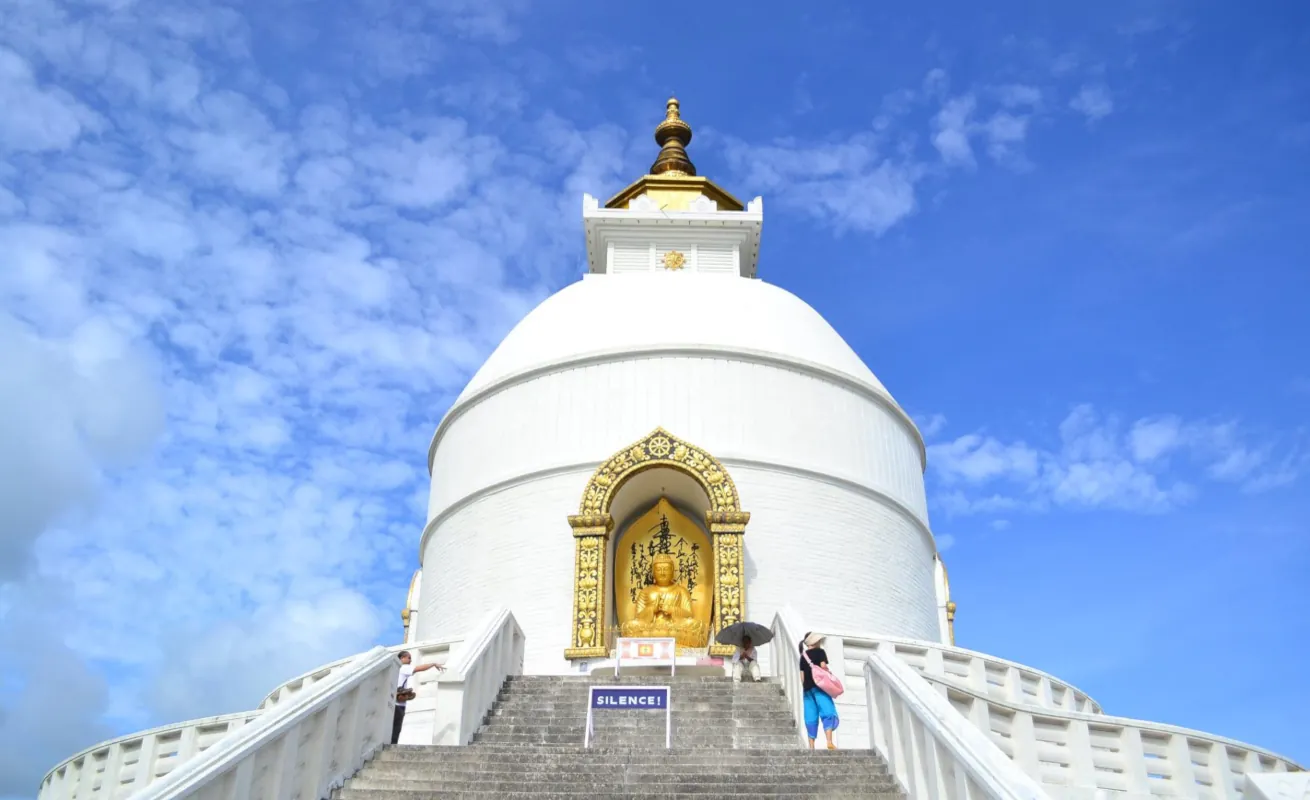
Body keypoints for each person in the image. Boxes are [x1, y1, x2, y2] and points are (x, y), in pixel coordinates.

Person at [394, 650, 443, 745]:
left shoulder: (396, 670)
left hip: (396, 703)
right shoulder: (404, 668)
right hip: (398, 705)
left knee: (394, 729)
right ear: (402, 658)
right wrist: (433, 664)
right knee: (396, 729)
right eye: (409, 658)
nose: (410, 660)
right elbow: (418, 668)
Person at [799, 632, 839, 750]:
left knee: (810, 716)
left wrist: (806, 686)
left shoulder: (803, 656)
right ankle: (829, 742)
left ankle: (811, 747)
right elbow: (823, 667)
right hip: (820, 687)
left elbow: (802, 676)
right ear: (815, 642)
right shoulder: (820, 652)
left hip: (807, 689)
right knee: (827, 711)